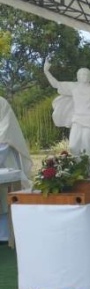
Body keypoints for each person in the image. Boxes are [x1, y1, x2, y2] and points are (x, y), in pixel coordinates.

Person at [43, 59, 90, 173]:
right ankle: (78, 169)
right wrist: (46, 71)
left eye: (86, 74)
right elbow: (56, 84)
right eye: (81, 74)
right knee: (73, 146)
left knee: (87, 145)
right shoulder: (73, 86)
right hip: (77, 120)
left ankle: (88, 171)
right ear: (77, 76)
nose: (84, 76)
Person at [0, 96, 32, 245]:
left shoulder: (1, 103)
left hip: (5, 158)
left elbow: (5, 133)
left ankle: (6, 235)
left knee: (4, 199)